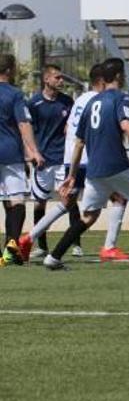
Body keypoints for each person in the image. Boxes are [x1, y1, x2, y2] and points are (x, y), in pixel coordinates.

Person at [43, 58, 129, 270]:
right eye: (123, 74)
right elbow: (126, 125)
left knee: (89, 217)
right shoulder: (120, 98)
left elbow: (79, 142)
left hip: (94, 170)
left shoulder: (91, 103)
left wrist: (72, 175)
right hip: (115, 166)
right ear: (118, 76)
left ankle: (54, 257)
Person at [19, 64, 129, 262]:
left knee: (66, 203)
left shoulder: (79, 100)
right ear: (103, 81)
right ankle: (109, 247)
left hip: (71, 158)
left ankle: (29, 238)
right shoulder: (101, 100)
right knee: (119, 198)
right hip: (90, 158)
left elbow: (67, 129)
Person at [21, 64, 75, 258]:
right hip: (43, 161)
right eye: (57, 78)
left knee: (69, 199)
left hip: (63, 160)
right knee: (39, 203)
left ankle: (76, 244)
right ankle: (41, 246)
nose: (61, 81)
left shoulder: (67, 101)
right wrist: (32, 153)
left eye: (62, 78)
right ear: (47, 80)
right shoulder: (33, 103)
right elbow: (26, 131)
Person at [0, 54, 44, 265]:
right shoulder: (14, 94)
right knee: (17, 200)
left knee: (6, 201)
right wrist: (34, 151)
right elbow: (23, 124)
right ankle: (11, 247)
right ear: (10, 70)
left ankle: (10, 250)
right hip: (9, 153)